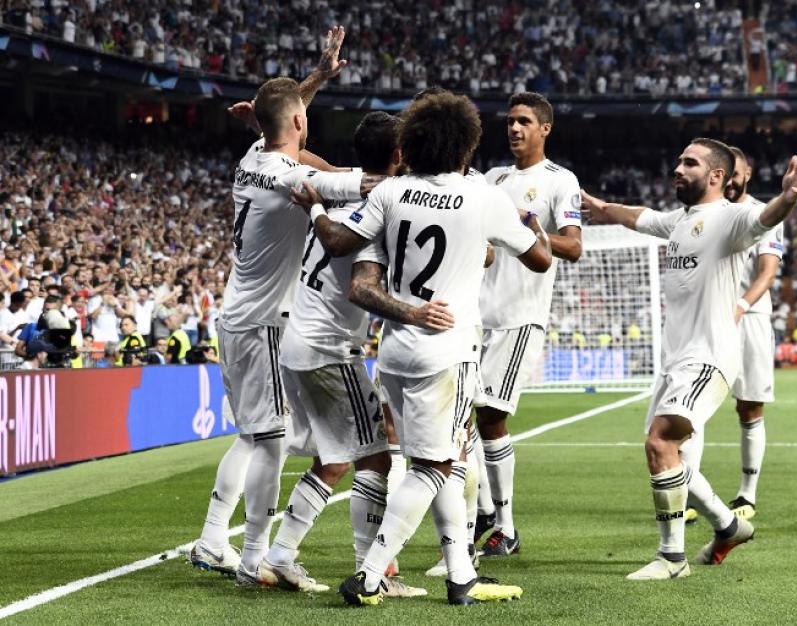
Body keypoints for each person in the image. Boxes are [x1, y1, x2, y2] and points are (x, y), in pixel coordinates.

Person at [293, 90, 552, 605]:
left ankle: (462, 575)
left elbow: (349, 259)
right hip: (447, 353)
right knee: (433, 468)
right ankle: (369, 575)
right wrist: (529, 228)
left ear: (412, 142)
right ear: (466, 144)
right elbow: (541, 260)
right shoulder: (483, 197)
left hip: (394, 353)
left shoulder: (392, 193)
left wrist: (318, 205)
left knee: (446, 460)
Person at [188, 25, 367, 584]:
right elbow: (357, 182)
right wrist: (429, 181)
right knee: (271, 441)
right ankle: (254, 559)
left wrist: (318, 74)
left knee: (253, 434)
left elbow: (284, 115)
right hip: (265, 323)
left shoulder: (255, 155)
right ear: (297, 125)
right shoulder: (292, 177)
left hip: (237, 313)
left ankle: (213, 539)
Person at [581, 138, 797, 580]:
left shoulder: (729, 218)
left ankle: (672, 558)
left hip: (709, 357)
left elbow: (764, 217)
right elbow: (636, 216)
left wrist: (788, 198)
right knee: (671, 457)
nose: (677, 168)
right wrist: (599, 206)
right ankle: (728, 526)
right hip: (675, 360)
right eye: (678, 160)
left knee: (661, 444)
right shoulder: (679, 221)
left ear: (717, 176)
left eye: (690, 163)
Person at [260, 111, 425, 598]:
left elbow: (308, 161)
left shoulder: (334, 190)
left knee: (334, 459)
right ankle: (370, 571)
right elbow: (359, 284)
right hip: (332, 350)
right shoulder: (376, 212)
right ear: (398, 156)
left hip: (299, 344)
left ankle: (279, 557)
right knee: (375, 458)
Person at [475, 92, 583, 557]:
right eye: (510, 121)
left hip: (520, 318)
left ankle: (505, 525)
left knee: (491, 416)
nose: (514, 128)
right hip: (476, 316)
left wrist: (531, 227)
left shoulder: (561, 181)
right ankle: (481, 511)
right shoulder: (494, 179)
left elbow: (573, 246)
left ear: (545, 129)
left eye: (524, 121)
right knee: (460, 420)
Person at [684, 147, 785, 525]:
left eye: (737, 174)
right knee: (692, 408)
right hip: (709, 319)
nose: (731, 181)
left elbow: (767, 272)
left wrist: (741, 305)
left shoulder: (764, 213)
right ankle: (687, 489)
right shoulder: (705, 214)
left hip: (751, 317)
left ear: (746, 174)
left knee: (749, 406)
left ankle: (747, 493)